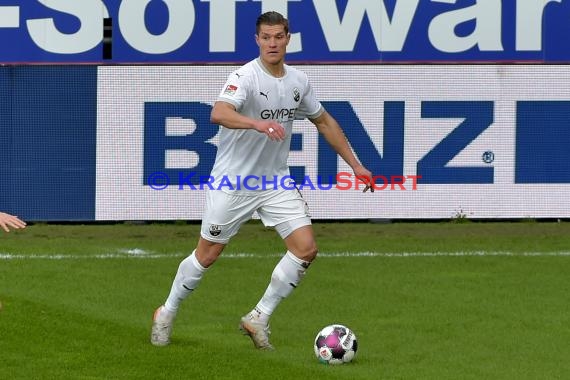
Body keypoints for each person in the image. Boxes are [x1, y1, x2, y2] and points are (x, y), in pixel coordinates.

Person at [151, 11, 373, 350]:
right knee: (207, 255)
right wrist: (256, 124)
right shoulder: (245, 77)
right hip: (233, 182)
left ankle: (259, 317)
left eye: (278, 37)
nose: (272, 43)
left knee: (305, 249)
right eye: (266, 37)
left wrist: (356, 166)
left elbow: (324, 121)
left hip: (275, 181)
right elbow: (219, 112)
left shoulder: (298, 81)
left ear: (288, 39)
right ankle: (166, 312)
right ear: (257, 40)